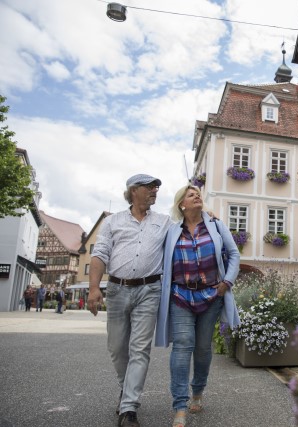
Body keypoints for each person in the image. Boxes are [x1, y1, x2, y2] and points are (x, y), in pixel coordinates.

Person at [87, 173, 172, 427]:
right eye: (150, 187)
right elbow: (100, 254)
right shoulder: (112, 222)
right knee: (116, 348)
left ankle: (129, 409)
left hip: (149, 290)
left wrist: (209, 218)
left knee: (139, 349)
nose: (155, 190)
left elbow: (189, 227)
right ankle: (127, 392)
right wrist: (93, 288)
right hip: (116, 290)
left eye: (157, 187)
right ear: (134, 190)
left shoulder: (164, 221)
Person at [155, 185, 240, 427]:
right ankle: (180, 406)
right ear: (182, 204)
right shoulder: (172, 231)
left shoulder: (216, 225)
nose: (197, 196)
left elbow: (233, 254)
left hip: (211, 296)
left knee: (202, 348)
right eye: (191, 195)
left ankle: (198, 391)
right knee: (182, 346)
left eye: (198, 194)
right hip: (180, 296)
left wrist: (226, 282)